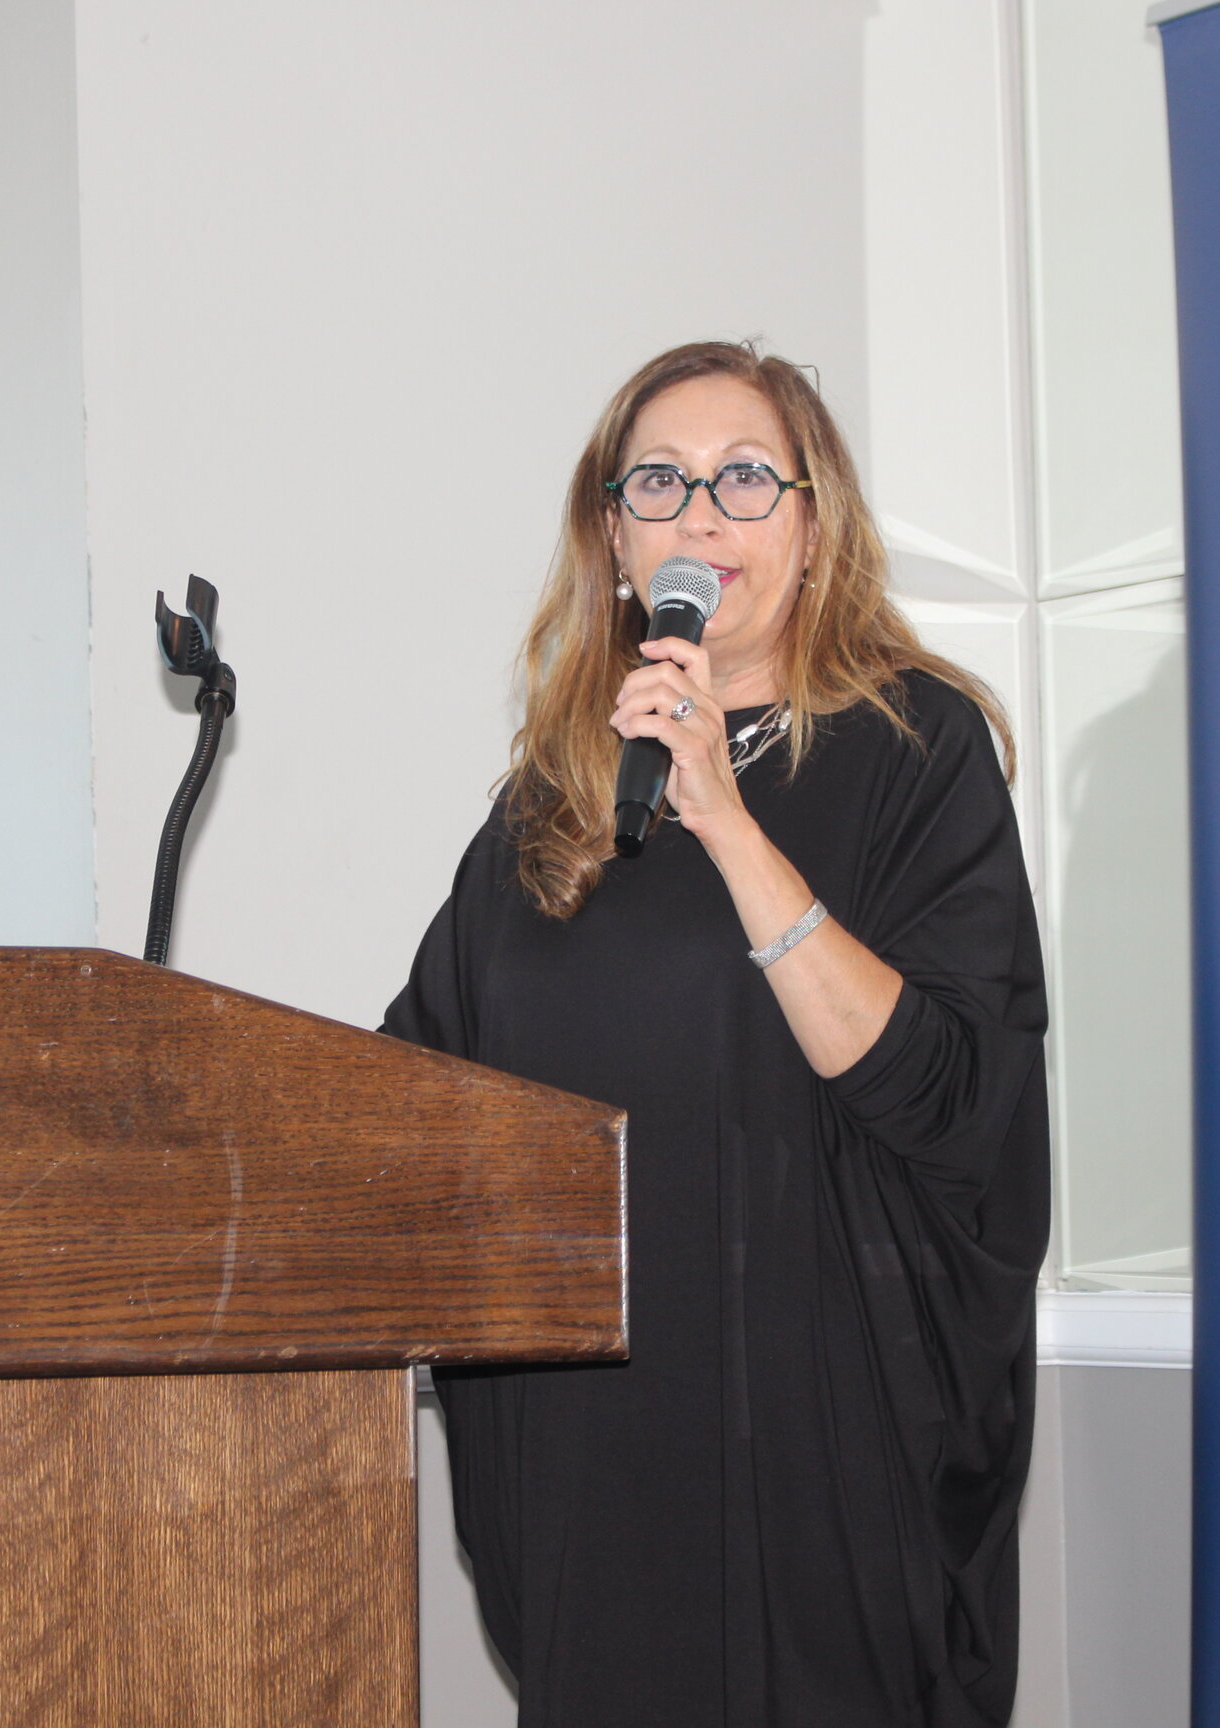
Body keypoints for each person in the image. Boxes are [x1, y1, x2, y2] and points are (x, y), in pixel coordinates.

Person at [382, 340, 1049, 1727]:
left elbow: (953, 1097)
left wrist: (727, 826)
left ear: (813, 530)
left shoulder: (911, 749)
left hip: (828, 1463)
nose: (701, 513)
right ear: (615, 543)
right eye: (661, 484)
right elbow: (413, 1088)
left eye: (747, 478)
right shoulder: (547, 806)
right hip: (596, 1471)